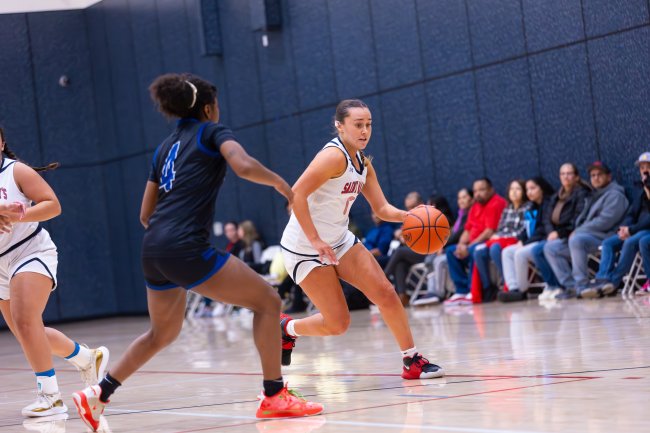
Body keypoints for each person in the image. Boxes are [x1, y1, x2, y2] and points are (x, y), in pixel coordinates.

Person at [72, 73, 322, 432]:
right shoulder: (212, 132)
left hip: (153, 248)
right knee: (268, 301)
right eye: (216, 106)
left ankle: (99, 392)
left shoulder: (164, 148)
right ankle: (273, 396)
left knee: (162, 334)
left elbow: (145, 214)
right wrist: (283, 185)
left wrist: (170, 239)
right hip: (183, 246)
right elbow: (243, 165)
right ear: (207, 108)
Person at [279, 99, 443, 379]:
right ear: (339, 126)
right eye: (358, 125)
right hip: (304, 247)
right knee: (338, 323)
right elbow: (296, 195)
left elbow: (381, 209)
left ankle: (411, 360)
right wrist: (316, 240)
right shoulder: (333, 157)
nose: (365, 130)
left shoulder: (363, 164)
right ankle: (286, 329)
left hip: (340, 240)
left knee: (386, 293)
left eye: (368, 125)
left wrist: (410, 216)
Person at [0, 127, 109, 417]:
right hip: (0, 264)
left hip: (29, 250)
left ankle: (50, 397)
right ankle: (87, 357)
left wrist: (18, 213)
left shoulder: (16, 171)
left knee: (26, 321)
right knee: (29, 333)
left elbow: (53, 205)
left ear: (0, 142)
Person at [544, 161, 628, 299]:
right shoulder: (594, 195)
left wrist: (578, 231)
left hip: (606, 236)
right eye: (592, 175)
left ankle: (582, 285)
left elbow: (605, 221)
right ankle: (572, 287)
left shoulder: (615, 194)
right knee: (551, 248)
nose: (595, 178)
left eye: (599, 174)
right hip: (588, 236)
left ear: (609, 177)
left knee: (577, 239)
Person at [583, 153, 650, 297]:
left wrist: (631, 230)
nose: (645, 171)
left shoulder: (647, 189)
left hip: (645, 230)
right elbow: (632, 213)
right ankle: (602, 279)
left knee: (630, 242)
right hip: (635, 229)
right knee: (608, 243)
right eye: (642, 168)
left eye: (648, 167)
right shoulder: (640, 190)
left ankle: (613, 282)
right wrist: (623, 228)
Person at [444, 178, 507, 305]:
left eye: (482, 190)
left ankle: (474, 290)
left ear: (491, 190)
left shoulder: (496, 203)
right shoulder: (475, 206)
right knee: (451, 251)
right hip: (473, 244)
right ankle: (462, 290)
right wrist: (461, 245)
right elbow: (467, 230)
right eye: (475, 191)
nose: (477, 193)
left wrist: (468, 247)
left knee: (474, 250)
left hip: (489, 242)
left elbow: (489, 232)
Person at [534, 163, 591, 300]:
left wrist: (559, 234)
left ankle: (569, 286)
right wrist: (550, 233)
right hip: (556, 235)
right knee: (540, 249)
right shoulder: (557, 195)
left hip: (572, 234)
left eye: (569, 173)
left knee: (548, 249)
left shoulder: (582, 193)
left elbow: (578, 218)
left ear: (576, 177)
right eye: (562, 174)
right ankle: (560, 285)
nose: (566, 177)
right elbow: (547, 219)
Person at [412, 187, 474, 306]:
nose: (460, 200)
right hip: (452, 247)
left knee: (438, 260)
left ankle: (438, 293)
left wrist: (442, 245)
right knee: (431, 258)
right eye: (459, 198)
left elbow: (459, 234)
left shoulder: (461, 216)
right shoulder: (461, 215)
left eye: (464, 197)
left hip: (465, 246)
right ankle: (432, 290)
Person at [498, 177, 556, 302]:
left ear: (542, 189)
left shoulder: (548, 204)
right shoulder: (532, 207)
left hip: (543, 240)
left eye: (533, 188)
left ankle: (522, 289)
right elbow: (525, 228)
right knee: (507, 252)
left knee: (520, 253)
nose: (529, 192)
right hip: (531, 241)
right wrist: (521, 239)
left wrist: (524, 243)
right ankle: (513, 288)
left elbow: (542, 229)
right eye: (527, 189)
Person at [473, 179, 532, 299]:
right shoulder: (507, 208)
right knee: (479, 251)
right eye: (512, 189)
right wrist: (498, 235)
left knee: (495, 248)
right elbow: (500, 227)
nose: (514, 192)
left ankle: (508, 282)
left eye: (518, 189)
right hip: (502, 238)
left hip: (514, 239)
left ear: (524, 192)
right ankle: (487, 288)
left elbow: (524, 229)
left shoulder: (528, 207)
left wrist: (501, 236)